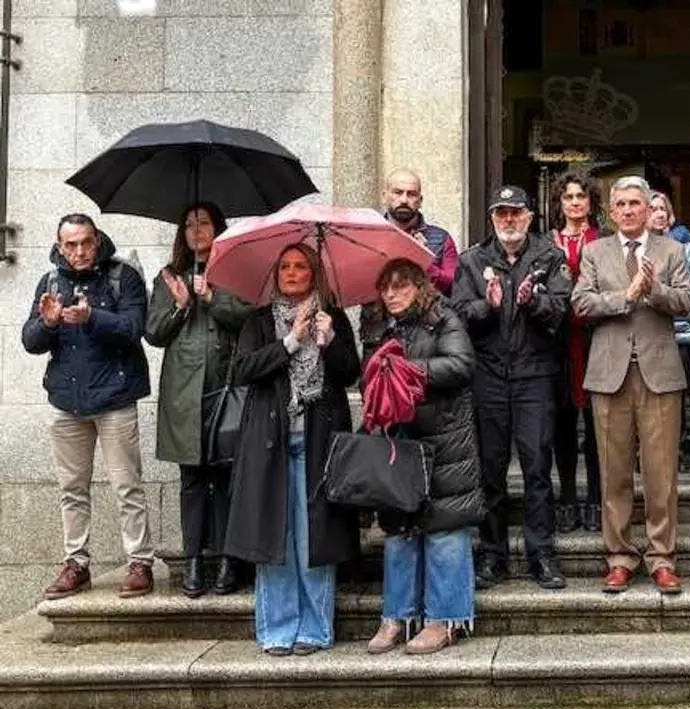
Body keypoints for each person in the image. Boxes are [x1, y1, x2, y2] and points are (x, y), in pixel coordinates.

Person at [224, 244, 362, 656]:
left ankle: (316, 630)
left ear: (314, 273)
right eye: (285, 266)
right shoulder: (260, 320)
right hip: (271, 443)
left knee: (313, 539)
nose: (292, 272)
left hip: (319, 442)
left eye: (301, 266)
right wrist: (289, 342)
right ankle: (278, 629)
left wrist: (328, 340)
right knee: (276, 537)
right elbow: (243, 370)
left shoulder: (332, 317)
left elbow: (350, 374)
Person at [571, 175, 690, 595]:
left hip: (659, 373)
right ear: (610, 211)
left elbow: (686, 300)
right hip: (609, 375)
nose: (627, 210)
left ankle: (662, 557)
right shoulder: (594, 252)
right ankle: (620, 557)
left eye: (634, 204)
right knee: (614, 473)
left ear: (648, 208)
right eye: (620, 204)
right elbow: (581, 303)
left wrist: (653, 289)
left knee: (661, 475)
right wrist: (625, 296)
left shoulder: (672, 250)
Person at [23, 213, 155, 600]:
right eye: (70, 245)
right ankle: (76, 563)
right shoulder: (50, 281)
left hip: (114, 398)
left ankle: (139, 561)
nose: (79, 251)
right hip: (67, 401)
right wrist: (47, 324)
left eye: (85, 242)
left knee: (127, 485)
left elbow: (135, 329)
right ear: (59, 245)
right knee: (71, 488)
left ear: (97, 241)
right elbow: (30, 341)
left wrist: (92, 317)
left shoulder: (122, 276)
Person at [453, 185, 571, 590]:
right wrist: (488, 305)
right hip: (488, 377)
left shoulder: (549, 257)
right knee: (491, 470)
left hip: (535, 375)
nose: (508, 220)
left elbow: (561, 309)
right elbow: (458, 314)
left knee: (538, 468)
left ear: (529, 217)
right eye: (501, 214)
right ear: (492, 219)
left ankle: (542, 555)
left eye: (515, 213)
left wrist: (531, 303)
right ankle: (492, 554)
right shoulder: (472, 260)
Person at [362, 259, 483, 655]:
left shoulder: (442, 317)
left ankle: (443, 620)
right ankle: (396, 617)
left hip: (446, 441)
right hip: (401, 441)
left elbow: (462, 365)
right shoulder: (379, 326)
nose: (392, 294)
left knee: (445, 530)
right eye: (386, 288)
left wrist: (407, 370)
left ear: (419, 287)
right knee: (399, 532)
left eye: (401, 286)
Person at [144, 202, 251, 598]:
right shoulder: (168, 277)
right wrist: (181, 304)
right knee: (191, 478)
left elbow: (246, 316)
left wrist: (210, 298)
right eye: (188, 224)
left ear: (217, 228)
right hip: (184, 392)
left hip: (225, 386)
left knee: (225, 474)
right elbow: (153, 332)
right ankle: (192, 560)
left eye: (204, 223)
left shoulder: (233, 273)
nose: (196, 231)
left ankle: (226, 559)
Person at [549, 172, 603, 535]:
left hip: (598, 341)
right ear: (560, 203)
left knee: (599, 429)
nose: (574, 202)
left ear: (591, 202)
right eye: (568, 197)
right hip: (557, 345)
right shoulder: (546, 244)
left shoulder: (605, 241)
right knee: (563, 425)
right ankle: (567, 498)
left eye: (581, 196)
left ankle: (596, 500)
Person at [649, 190, 690, 465]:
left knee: (674, 397)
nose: (658, 213)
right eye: (653, 207)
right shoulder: (632, 247)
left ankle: (675, 451)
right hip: (643, 333)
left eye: (662, 208)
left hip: (678, 333)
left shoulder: (682, 245)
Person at [381, 169, 459, 295]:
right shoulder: (370, 235)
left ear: (420, 200)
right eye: (398, 192)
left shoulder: (441, 239)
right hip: (377, 314)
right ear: (384, 197)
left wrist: (423, 260)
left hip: (428, 313)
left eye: (411, 194)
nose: (404, 200)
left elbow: (454, 286)